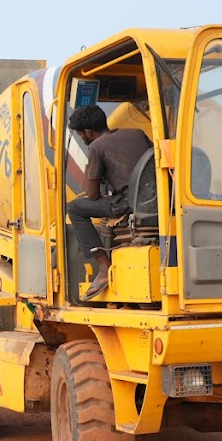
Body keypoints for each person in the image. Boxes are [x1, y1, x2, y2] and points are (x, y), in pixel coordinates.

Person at [66, 103, 150, 300]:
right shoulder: (137, 133)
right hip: (157, 199)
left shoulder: (96, 147)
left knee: (75, 208)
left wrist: (90, 173)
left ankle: (103, 269)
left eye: (81, 135)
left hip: (130, 203)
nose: (82, 138)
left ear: (88, 132)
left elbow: (93, 194)